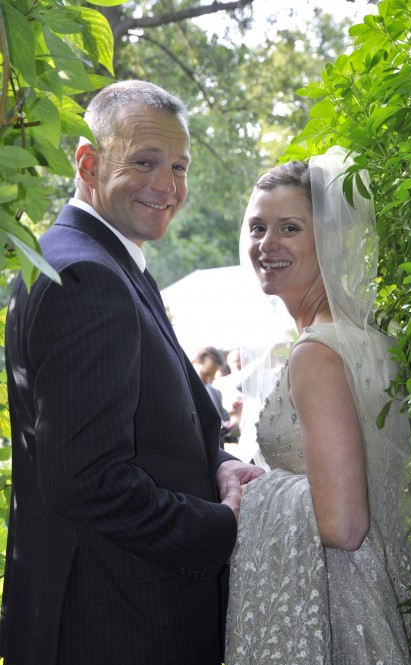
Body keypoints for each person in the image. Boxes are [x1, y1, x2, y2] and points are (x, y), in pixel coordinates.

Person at [0, 80, 264, 665]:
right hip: (112, 628)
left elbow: (148, 431)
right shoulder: (86, 277)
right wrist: (222, 528)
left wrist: (220, 467)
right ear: (88, 163)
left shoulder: (101, 261)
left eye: (178, 166)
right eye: (144, 162)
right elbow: (88, 479)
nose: (168, 187)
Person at [225, 146, 411, 664]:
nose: (266, 244)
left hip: (334, 608)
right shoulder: (371, 337)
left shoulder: (317, 352)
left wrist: (259, 494)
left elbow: (343, 524)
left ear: (334, 239)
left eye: (289, 228)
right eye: (257, 228)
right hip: (382, 591)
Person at [191, 346, 237, 447]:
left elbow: (225, 422)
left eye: (212, 375)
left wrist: (229, 426)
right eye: (205, 374)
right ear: (193, 363)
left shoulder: (216, 393)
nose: (208, 379)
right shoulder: (182, 393)